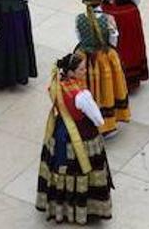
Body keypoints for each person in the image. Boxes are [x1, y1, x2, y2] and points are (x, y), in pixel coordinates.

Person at [35, 52, 114, 224]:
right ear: (71, 72)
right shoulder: (82, 95)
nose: (84, 71)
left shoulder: (57, 82)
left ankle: (61, 209)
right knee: (84, 170)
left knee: (60, 169)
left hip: (60, 132)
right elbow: (99, 120)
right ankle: (86, 209)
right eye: (81, 69)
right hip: (82, 136)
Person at [76, 0, 130, 136]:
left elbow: (79, 38)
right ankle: (108, 124)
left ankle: (88, 120)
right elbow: (113, 40)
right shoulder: (108, 19)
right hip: (104, 58)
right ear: (101, 1)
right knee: (106, 90)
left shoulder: (79, 19)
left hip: (85, 57)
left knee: (88, 89)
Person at [98, 0, 149, 90]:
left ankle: (112, 77)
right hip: (126, 18)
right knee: (129, 46)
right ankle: (129, 79)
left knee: (112, 47)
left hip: (108, 16)